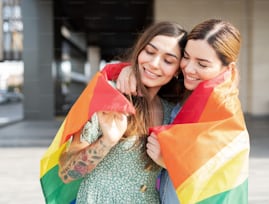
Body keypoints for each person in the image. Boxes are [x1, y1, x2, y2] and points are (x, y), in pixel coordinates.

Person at [116, 19, 249, 204]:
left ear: (228, 68)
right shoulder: (181, 92)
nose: (189, 68)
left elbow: (220, 184)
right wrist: (128, 71)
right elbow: (154, 72)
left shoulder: (224, 114)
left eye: (202, 64)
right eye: (186, 57)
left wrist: (167, 161)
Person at [57, 21, 187, 204]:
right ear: (140, 50)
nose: (154, 64)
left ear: (177, 71)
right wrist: (107, 141)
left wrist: (165, 161)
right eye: (150, 52)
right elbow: (66, 174)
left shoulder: (172, 113)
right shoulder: (107, 95)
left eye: (168, 60)